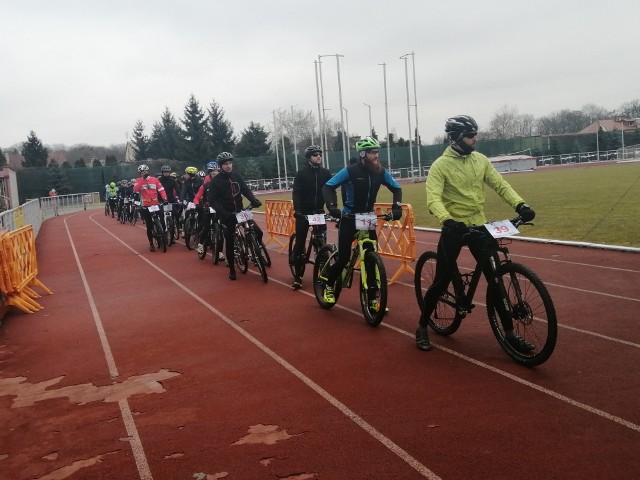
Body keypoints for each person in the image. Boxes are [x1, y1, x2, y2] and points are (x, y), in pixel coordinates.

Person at [415, 115, 536, 352]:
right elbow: (433, 198)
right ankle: (421, 327)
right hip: (455, 227)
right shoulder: (440, 166)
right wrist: (447, 220)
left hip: (479, 225)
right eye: (471, 135)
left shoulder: (480, 160)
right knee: (440, 281)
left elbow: (500, 185)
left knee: (495, 279)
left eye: (475, 134)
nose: (475, 139)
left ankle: (510, 334)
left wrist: (520, 205)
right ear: (457, 138)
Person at [321, 136, 403, 308]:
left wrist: (396, 208)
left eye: (377, 152)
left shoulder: (380, 171)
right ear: (363, 154)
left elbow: (397, 188)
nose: (376, 155)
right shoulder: (350, 171)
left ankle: (373, 298)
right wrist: (333, 207)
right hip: (350, 218)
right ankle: (328, 285)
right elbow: (328, 186)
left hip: (367, 218)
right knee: (344, 258)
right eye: (373, 152)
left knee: (372, 260)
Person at [208, 152, 262, 281]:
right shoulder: (215, 181)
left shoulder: (237, 176)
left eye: (230, 163)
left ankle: (255, 253)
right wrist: (223, 213)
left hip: (240, 211)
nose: (229, 166)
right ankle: (232, 269)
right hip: (227, 214)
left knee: (258, 232)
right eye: (226, 164)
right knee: (230, 242)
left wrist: (254, 200)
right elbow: (213, 201)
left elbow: (245, 190)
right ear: (221, 166)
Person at [290, 145, 332, 289]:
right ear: (309, 158)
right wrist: (298, 210)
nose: (318, 156)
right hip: (304, 213)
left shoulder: (326, 173)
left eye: (320, 154)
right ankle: (297, 276)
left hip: (319, 212)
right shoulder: (301, 173)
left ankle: (323, 270)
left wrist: (332, 207)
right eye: (315, 155)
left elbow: (330, 191)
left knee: (323, 243)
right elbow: (296, 193)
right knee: (300, 243)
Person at [133, 164, 168, 251]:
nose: (143, 173)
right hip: (145, 205)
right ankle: (151, 244)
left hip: (155, 204)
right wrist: (142, 179)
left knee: (162, 218)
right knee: (149, 226)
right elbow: (136, 189)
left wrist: (165, 199)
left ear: (148, 171)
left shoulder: (154, 180)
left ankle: (164, 233)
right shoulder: (138, 180)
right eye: (141, 172)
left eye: (145, 171)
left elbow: (161, 190)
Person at [195, 161, 225, 261]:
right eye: (213, 173)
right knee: (206, 227)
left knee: (221, 231)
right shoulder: (205, 185)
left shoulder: (221, 184)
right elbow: (197, 197)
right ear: (210, 174)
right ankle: (200, 244)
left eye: (217, 173)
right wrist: (197, 205)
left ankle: (220, 251)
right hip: (207, 209)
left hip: (219, 209)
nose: (215, 175)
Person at [157, 165, 180, 244]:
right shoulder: (159, 180)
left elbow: (177, 189)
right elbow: (156, 190)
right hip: (161, 199)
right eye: (165, 172)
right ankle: (162, 231)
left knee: (176, 214)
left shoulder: (172, 180)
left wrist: (180, 198)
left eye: (167, 172)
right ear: (162, 173)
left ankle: (176, 227)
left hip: (171, 199)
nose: (166, 173)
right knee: (160, 215)